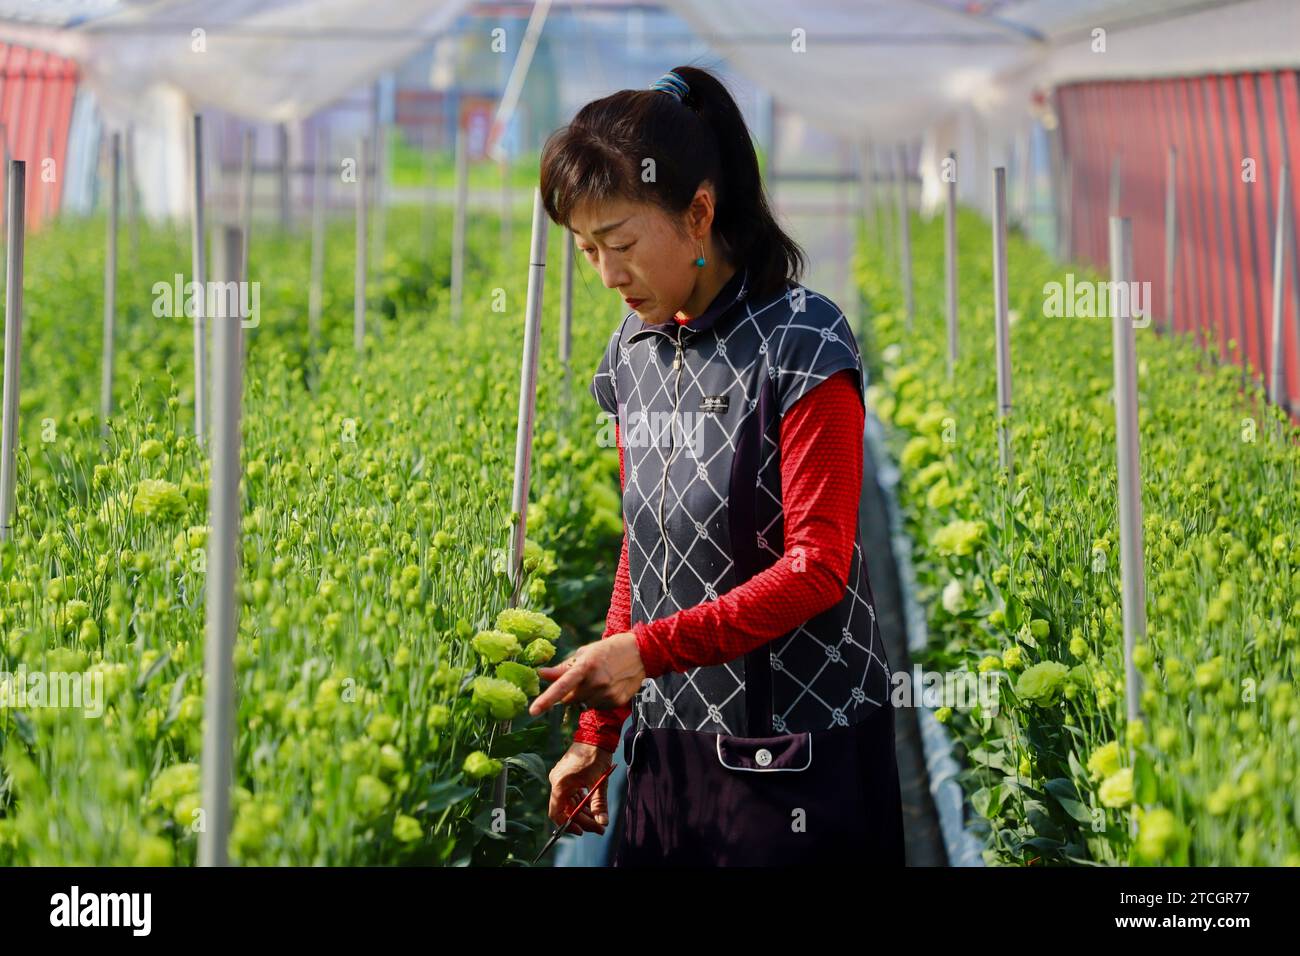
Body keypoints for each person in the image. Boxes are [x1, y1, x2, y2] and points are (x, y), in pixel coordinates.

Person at [528, 65, 905, 866]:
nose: (607, 274)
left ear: (699, 212)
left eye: (622, 243)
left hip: (799, 758)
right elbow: (645, 541)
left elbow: (816, 569)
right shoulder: (633, 351)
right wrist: (598, 736)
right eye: (588, 249)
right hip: (670, 750)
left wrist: (643, 655)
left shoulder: (804, 344)